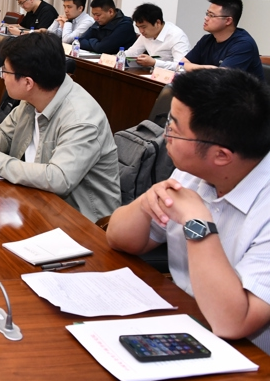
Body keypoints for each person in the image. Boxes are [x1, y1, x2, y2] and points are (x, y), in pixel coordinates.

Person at [106, 69, 270, 354]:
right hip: (187, 319)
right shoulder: (193, 171)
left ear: (221, 155)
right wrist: (146, 203)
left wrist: (197, 222)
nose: (165, 134)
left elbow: (233, 322)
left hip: (248, 357)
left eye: (174, 129)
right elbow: (119, 239)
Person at [0, 33, 121, 222]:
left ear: (28, 82)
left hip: (80, 221)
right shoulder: (33, 98)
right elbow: (4, 133)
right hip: (36, 201)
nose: (2, 77)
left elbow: (58, 179)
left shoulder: (81, 119)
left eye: (5, 72)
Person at [182, 0, 263, 79]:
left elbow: (222, 77)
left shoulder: (244, 44)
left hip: (240, 88)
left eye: (211, 15)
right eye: (207, 13)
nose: (206, 18)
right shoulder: (207, 39)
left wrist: (200, 69)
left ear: (228, 20)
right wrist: (210, 68)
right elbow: (181, 64)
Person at [124, 3, 191, 70]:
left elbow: (181, 66)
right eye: (138, 27)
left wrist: (155, 63)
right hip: (152, 73)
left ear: (158, 23)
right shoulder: (146, 34)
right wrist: (119, 57)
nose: (141, 31)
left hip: (170, 75)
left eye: (144, 27)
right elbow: (133, 52)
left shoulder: (177, 36)